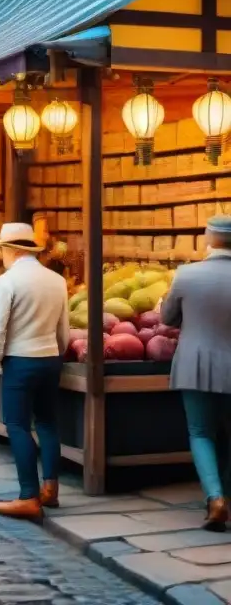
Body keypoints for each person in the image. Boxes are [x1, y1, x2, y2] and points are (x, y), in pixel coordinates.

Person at [0, 223, 68, 521]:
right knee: (47, 422)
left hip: (19, 359)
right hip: (50, 358)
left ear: (11, 250)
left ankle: (28, 496)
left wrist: (0, 362)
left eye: (3, 250)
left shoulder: (8, 282)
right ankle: (51, 489)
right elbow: (64, 331)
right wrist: (54, 354)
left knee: (17, 425)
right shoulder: (57, 280)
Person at [161, 215, 231, 531]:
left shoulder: (187, 274)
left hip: (195, 364)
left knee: (201, 432)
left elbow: (167, 318)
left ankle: (215, 499)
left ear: (208, 238)